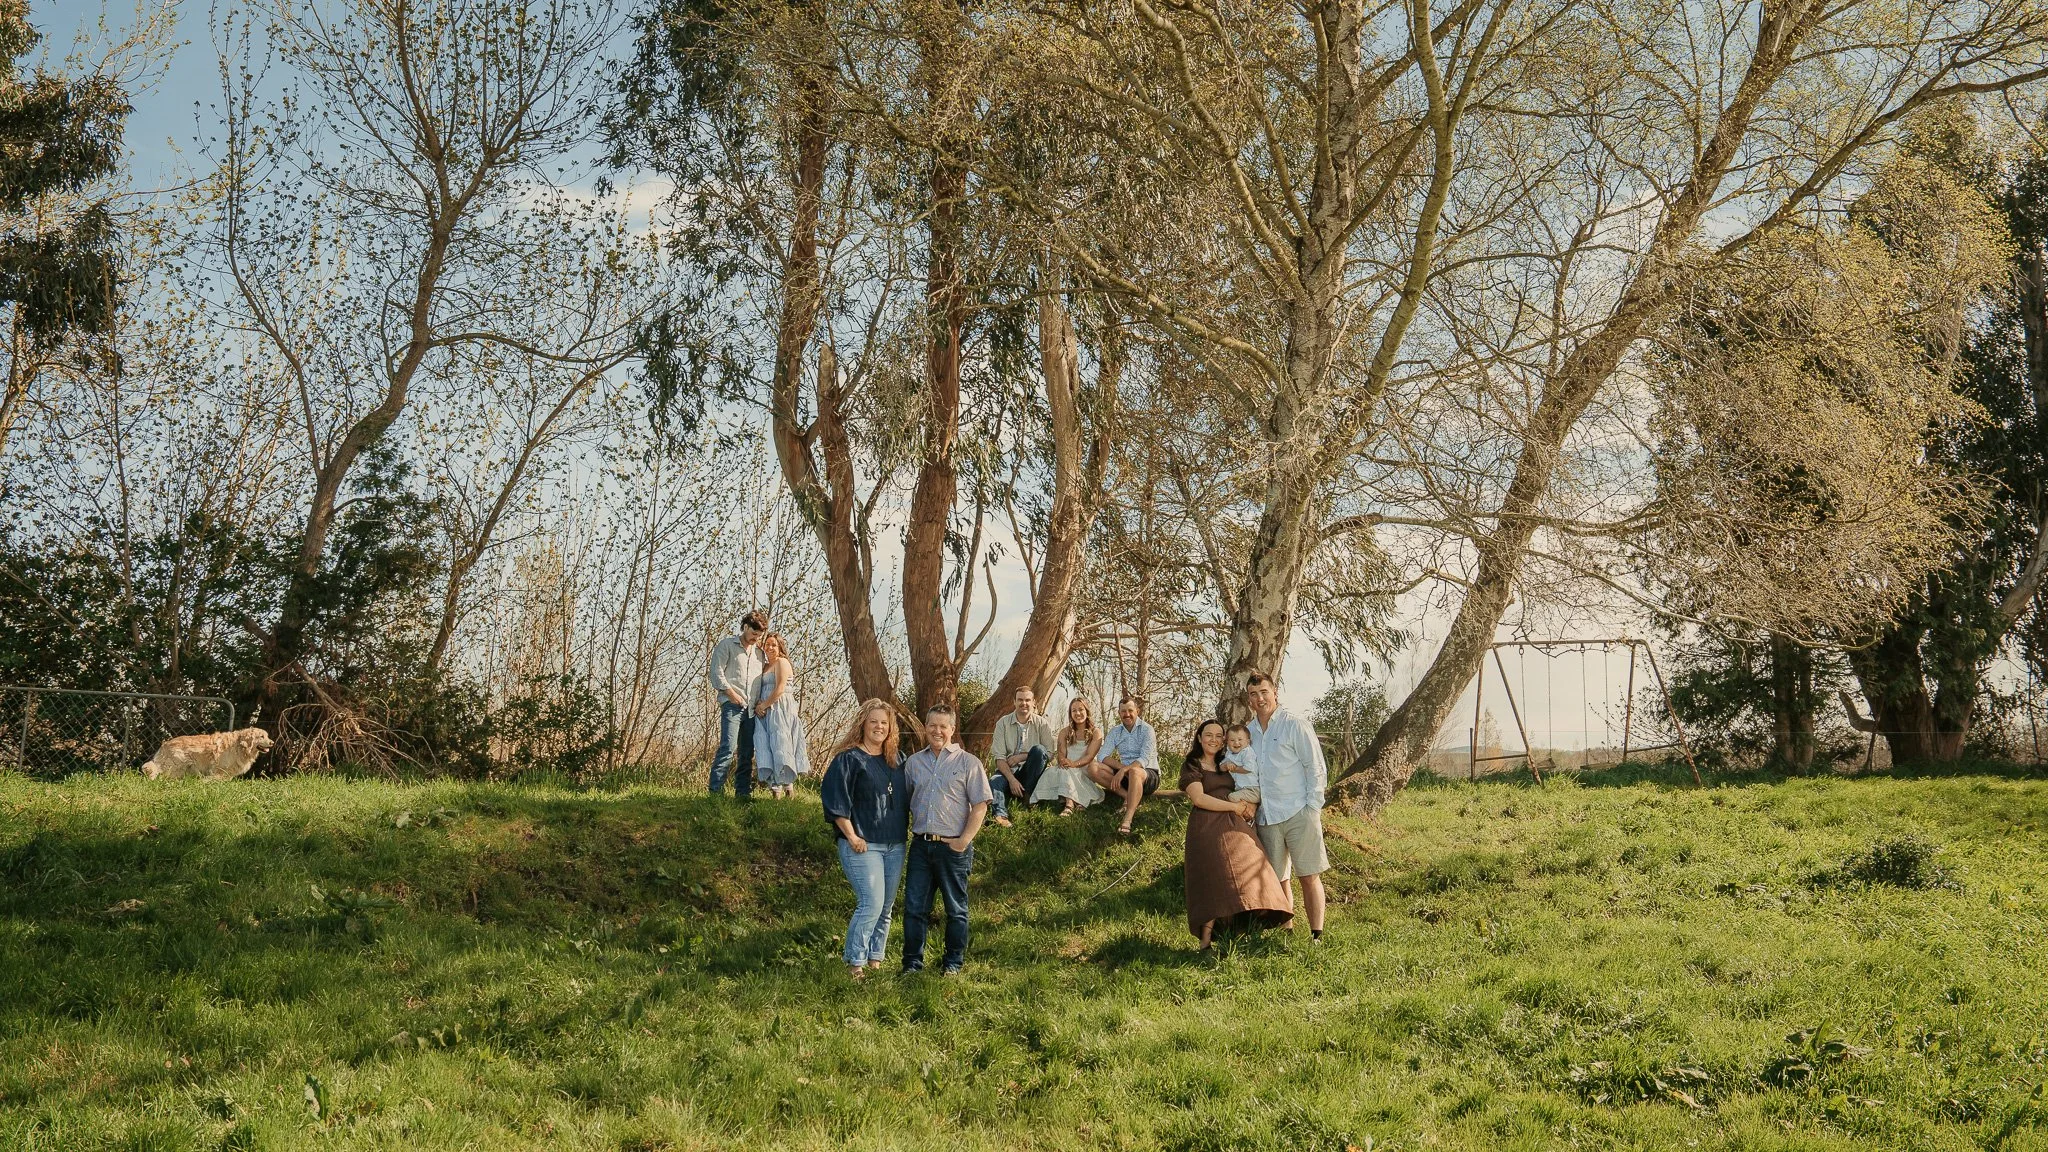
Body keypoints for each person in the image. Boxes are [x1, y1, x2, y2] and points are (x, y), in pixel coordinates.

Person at [1180, 718, 1292, 948]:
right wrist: (1233, 806)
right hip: (1207, 825)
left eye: (1218, 736)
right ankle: (1205, 942)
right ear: (1199, 738)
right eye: (1208, 735)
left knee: (1251, 867)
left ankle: (1251, 927)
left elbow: (1250, 783)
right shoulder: (1192, 765)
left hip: (1235, 823)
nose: (1214, 740)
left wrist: (1251, 805)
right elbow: (1199, 798)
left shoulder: (1230, 760)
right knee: (1214, 878)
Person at [819, 699, 908, 979]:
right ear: (863, 724)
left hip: (895, 844)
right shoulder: (848, 759)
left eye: (884, 723)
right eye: (873, 722)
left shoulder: (898, 760)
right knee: (871, 903)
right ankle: (855, 963)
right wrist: (851, 836)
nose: (879, 727)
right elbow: (835, 802)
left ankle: (875, 960)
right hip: (862, 844)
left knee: (885, 908)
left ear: (890, 728)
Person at [900, 705, 992, 975]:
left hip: (953, 848)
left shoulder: (968, 763)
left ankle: (952, 964)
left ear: (952, 729)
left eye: (943, 726)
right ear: (925, 727)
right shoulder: (913, 763)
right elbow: (904, 802)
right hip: (921, 846)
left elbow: (980, 806)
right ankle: (912, 965)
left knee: (956, 909)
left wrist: (963, 841)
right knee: (914, 908)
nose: (937, 731)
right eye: (932, 725)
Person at [1245, 671, 1330, 940]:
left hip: (1298, 812)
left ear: (1275, 692)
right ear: (1249, 700)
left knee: (1309, 875)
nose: (1260, 699)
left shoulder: (1295, 725)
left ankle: (1316, 936)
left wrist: (1312, 808)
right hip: (1267, 816)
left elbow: (1315, 767)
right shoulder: (1248, 733)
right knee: (1278, 878)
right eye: (1254, 694)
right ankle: (1287, 932)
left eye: (1264, 692)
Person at [707, 610, 767, 798]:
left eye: (759, 636)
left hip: (751, 710)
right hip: (732, 705)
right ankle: (715, 793)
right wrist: (731, 694)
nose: (756, 638)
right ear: (745, 627)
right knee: (728, 747)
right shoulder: (727, 645)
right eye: (753, 634)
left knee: (747, 752)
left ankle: (743, 794)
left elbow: (762, 680)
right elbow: (716, 672)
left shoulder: (760, 654)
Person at [986, 685, 1058, 826]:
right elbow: (999, 758)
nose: (1024, 703)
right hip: (1008, 771)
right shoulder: (1003, 723)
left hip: (1031, 772)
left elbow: (1050, 754)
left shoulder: (1042, 724)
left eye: (1027, 700)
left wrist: (1022, 756)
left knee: (1039, 750)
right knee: (994, 781)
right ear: (1014, 701)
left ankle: (1027, 796)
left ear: (1033, 702)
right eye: (1020, 700)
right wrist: (1012, 780)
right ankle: (1000, 816)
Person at [751, 632, 810, 798]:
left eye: (773, 645)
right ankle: (775, 790)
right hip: (765, 712)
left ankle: (789, 789)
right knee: (766, 747)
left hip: (780, 709)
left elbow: (780, 689)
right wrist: (759, 705)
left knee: (782, 746)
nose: (769, 647)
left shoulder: (782, 662)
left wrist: (764, 705)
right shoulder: (764, 666)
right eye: (767, 644)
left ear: (780, 647)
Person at [1090, 695, 1158, 835]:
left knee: (1135, 772)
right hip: (1125, 775)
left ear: (1137, 711)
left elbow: (1144, 759)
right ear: (1119, 713)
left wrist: (1126, 770)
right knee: (1092, 767)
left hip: (1148, 775)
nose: (1127, 714)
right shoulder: (1116, 731)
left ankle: (1128, 818)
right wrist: (1122, 769)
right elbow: (1102, 756)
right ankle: (1127, 796)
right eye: (1123, 711)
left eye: (1130, 710)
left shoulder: (1147, 730)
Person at [1030, 696, 1108, 815]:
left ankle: (1069, 805)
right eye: (1074, 710)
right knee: (1051, 772)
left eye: (1081, 709)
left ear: (1087, 711)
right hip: (1068, 766)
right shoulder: (1065, 732)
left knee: (1068, 771)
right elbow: (1061, 754)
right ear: (1070, 714)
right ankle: (1071, 800)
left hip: (1085, 768)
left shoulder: (1096, 732)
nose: (1078, 713)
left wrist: (1074, 764)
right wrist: (1063, 760)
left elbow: (1089, 756)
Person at [1222, 722, 1261, 807]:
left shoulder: (1247, 752)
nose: (1236, 743)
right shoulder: (1229, 753)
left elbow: (1249, 768)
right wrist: (1226, 764)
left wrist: (1234, 768)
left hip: (1252, 790)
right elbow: (1221, 767)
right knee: (1228, 797)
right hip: (1241, 790)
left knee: (1231, 798)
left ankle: (1246, 808)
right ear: (1227, 742)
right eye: (1232, 740)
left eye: (1240, 739)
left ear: (1248, 742)